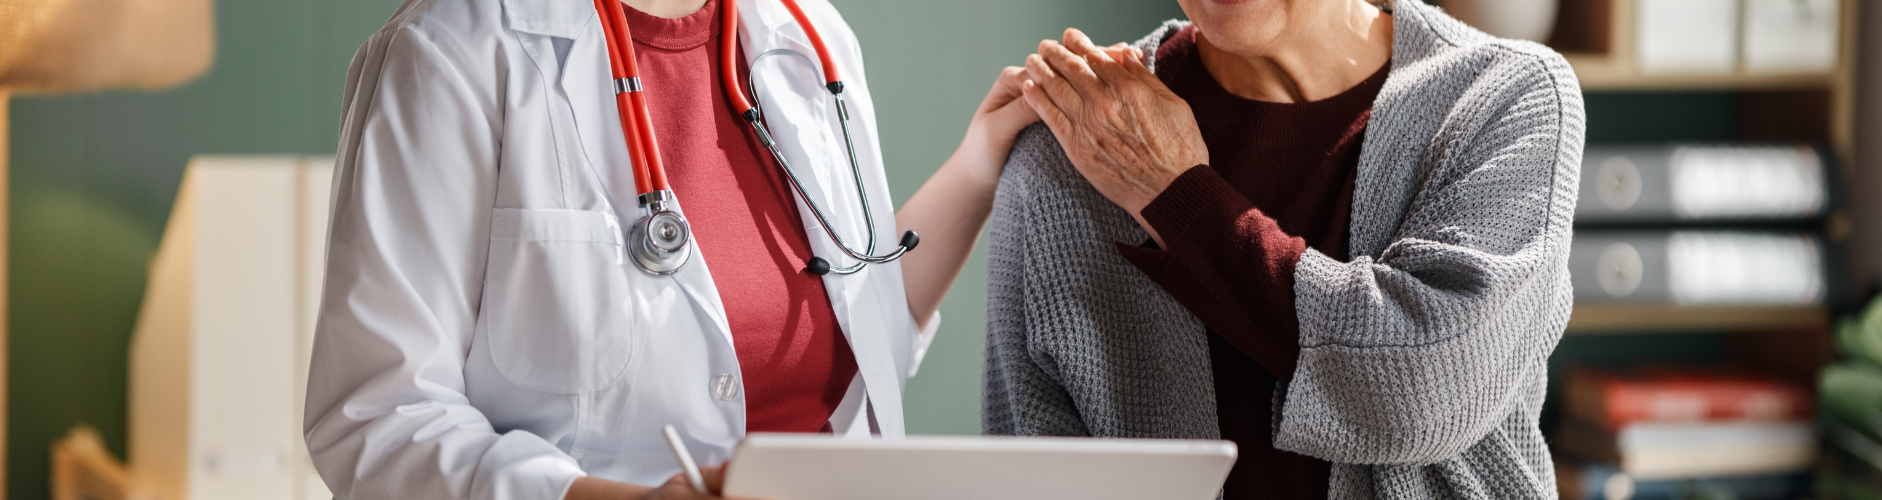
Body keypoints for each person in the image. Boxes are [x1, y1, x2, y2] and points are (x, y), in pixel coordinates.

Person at [303, 0, 1037, 498]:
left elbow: (860, 330)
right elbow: (377, 416)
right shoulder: (450, 54)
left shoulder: (810, 38)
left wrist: (978, 168)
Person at [982, 0, 1583, 498]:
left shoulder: (1506, 97)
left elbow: (1422, 391)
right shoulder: (1072, 147)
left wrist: (1174, 195)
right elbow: (1026, 469)